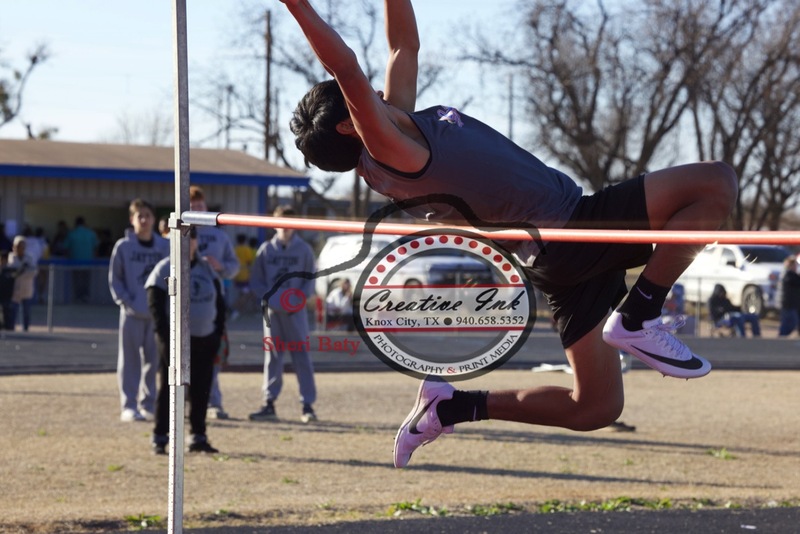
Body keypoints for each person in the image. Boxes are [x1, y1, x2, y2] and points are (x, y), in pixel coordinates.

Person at [280, 0, 739, 468]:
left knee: (596, 407)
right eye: (354, 95)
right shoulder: (390, 150)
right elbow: (344, 65)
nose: (372, 88)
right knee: (714, 183)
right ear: (350, 124)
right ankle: (641, 314)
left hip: (554, 256)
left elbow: (404, 45)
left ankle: (452, 406)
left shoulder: (396, 129)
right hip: (568, 228)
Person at [146, 226, 226, 454]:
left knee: (201, 390)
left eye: (191, 238)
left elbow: (220, 303)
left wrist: (217, 333)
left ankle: (198, 436)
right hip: (175, 341)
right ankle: (160, 437)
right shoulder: (165, 268)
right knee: (170, 389)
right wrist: (165, 337)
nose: (187, 242)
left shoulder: (207, 269)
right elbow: (155, 305)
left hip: (205, 339)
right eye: (182, 237)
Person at [249, 205, 318, 424]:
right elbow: (257, 281)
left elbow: (310, 280)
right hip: (272, 313)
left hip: (294, 313)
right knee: (273, 357)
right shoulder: (266, 250)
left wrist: (298, 301)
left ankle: (307, 405)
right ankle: (269, 402)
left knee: (302, 357)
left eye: (290, 223)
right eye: (281, 222)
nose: (285, 228)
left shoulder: (304, 250)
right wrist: (270, 299)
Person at [108, 199, 170, 422]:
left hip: (157, 314)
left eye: (148, 215)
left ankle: (149, 404)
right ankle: (129, 405)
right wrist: (127, 302)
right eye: (139, 216)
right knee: (130, 360)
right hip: (132, 314)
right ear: (132, 219)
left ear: (154, 219)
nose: (144, 220)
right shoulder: (123, 247)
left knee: (154, 361)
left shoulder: (165, 247)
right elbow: (115, 279)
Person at [189, 185, 240, 420]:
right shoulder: (180, 234)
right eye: (193, 206)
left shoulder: (220, 236)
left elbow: (234, 267)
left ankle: (214, 401)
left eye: (200, 205)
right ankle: (184, 402)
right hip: (186, 303)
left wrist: (221, 267)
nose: (198, 209)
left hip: (213, 304)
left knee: (213, 356)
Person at [7, 236, 38, 332]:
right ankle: (11, 329)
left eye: (22, 246)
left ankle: (26, 329)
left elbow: (33, 272)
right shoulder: (11, 257)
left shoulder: (29, 258)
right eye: (17, 246)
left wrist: (21, 272)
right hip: (14, 290)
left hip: (26, 289)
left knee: (26, 312)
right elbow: (11, 271)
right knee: (12, 311)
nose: (19, 248)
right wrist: (21, 271)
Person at [64, 216, 98, 303]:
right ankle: (85, 297)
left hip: (74, 262)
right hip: (88, 262)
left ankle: (78, 297)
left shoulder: (72, 233)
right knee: (86, 280)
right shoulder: (91, 233)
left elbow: (65, 247)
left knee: (77, 280)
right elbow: (96, 247)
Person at [230, 233, 257, 320]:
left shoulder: (235, 249)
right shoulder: (246, 249)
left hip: (236, 274)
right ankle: (235, 308)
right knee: (246, 294)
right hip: (245, 275)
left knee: (242, 294)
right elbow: (249, 261)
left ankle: (239, 310)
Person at [778, 255, 800, 337]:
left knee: (790, 323)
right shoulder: (789, 275)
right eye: (794, 265)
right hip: (788, 305)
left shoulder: (791, 275)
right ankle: (780, 340)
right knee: (789, 324)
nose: (796, 267)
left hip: (791, 305)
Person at [1, 251, 18, 330]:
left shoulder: (10, 269)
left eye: (4, 259)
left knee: (8, 314)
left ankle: (9, 328)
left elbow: (15, 275)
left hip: (8, 296)